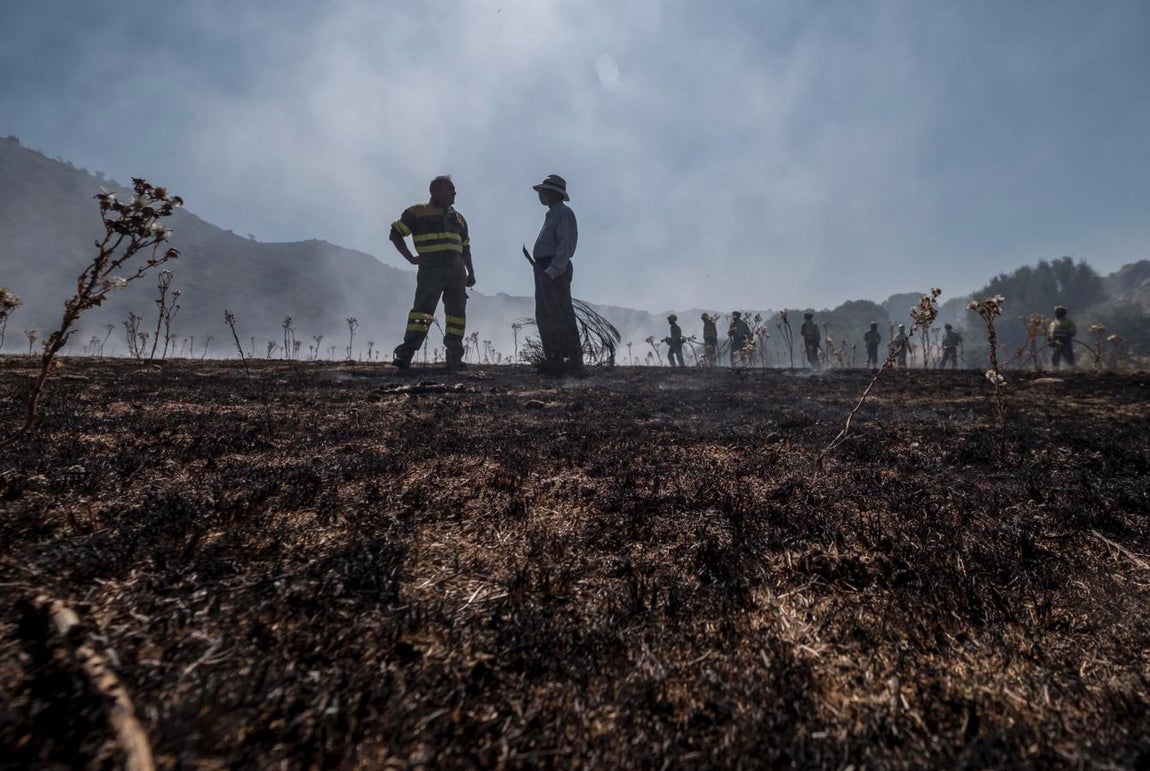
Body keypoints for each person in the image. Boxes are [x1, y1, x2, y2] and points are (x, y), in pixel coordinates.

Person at [390, 175, 476, 370]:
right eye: (450, 189)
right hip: (431, 272)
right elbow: (395, 233)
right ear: (436, 191)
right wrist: (411, 258)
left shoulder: (459, 218)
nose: (455, 193)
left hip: (456, 274)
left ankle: (454, 358)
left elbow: (466, 248)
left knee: (457, 316)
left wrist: (471, 273)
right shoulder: (417, 212)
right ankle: (405, 355)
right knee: (421, 313)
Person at [531, 174, 584, 375]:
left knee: (560, 314)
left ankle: (572, 360)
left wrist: (552, 271)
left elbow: (565, 245)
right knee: (545, 314)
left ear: (553, 193)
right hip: (545, 268)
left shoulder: (563, 213)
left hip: (553, 269)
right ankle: (554, 359)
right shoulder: (553, 214)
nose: (542, 195)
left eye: (544, 191)